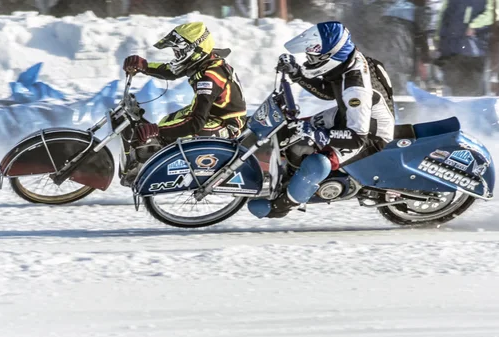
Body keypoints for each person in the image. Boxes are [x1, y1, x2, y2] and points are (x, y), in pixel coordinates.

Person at [247, 21, 395, 219]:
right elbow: (328, 93)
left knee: (318, 163)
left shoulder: (355, 89)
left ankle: (282, 206)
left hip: (369, 133)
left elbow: (357, 137)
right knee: (292, 128)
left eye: (313, 57)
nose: (309, 60)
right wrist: (297, 74)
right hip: (352, 116)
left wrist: (318, 134)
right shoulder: (347, 61)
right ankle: (289, 173)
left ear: (331, 56)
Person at [121, 21, 246, 184]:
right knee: (167, 123)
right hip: (213, 113)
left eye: (178, 52)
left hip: (226, 125)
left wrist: (157, 130)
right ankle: (150, 167)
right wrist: (144, 66)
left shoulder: (209, 79)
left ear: (194, 51)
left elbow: (196, 123)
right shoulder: (206, 59)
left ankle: (177, 175)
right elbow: (171, 72)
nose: (176, 56)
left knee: (172, 134)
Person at [435, 0, 499, 96]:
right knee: (452, 84)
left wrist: (474, 25)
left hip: (474, 47)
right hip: (451, 47)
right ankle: (453, 108)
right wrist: (438, 36)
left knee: (473, 85)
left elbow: (496, 13)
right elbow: (444, 14)